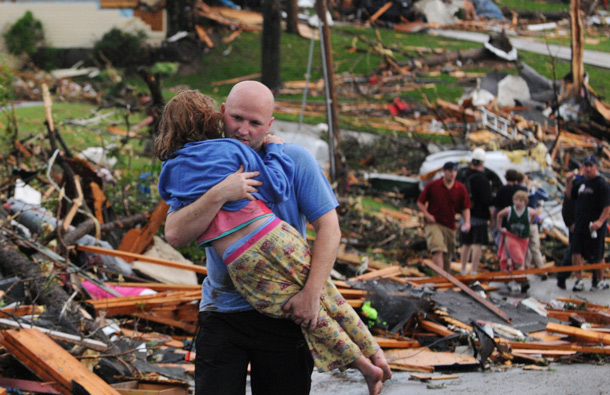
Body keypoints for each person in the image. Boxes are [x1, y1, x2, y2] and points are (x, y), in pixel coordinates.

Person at [162, 82, 390, 395]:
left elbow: (329, 229)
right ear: (222, 114)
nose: (244, 130)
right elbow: (174, 233)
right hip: (222, 311)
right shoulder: (206, 162)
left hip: (287, 311)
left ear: (270, 124)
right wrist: (221, 192)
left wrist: (309, 295)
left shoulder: (296, 159)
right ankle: (368, 362)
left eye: (255, 123)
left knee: (328, 302)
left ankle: (373, 359)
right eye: (237, 119)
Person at [566, 154, 610, 291]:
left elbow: (607, 207)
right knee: (576, 251)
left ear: (596, 167)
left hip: (595, 226)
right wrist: (568, 182)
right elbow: (569, 196)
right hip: (580, 223)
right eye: (586, 165)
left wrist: (600, 221)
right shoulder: (580, 182)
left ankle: (600, 280)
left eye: (591, 165)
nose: (588, 168)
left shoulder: (602, 184)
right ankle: (579, 280)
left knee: (598, 253)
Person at [417, 161, 471, 272]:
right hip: (434, 223)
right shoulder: (433, 185)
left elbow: (466, 207)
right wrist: (427, 215)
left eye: (455, 171)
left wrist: (467, 222)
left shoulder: (460, 188)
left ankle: (445, 279)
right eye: (450, 171)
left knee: (447, 256)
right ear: (444, 171)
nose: (452, 174)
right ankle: (439, 278)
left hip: (450, 225)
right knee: (438, 249)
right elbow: (420, 202)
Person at [460, 148, 493, 274]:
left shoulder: (463, 175)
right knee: (477, 243)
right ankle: (473, 270)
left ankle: (463, 269)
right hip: (479, 216)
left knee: (466, 243)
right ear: (482, 163)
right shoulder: (482, 179)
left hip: (465, 214)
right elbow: (487, 199)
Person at [496, 190, 539, 271]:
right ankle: (519, 276)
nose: (518, 203)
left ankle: (517, 276)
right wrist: (499, 227)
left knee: (520, 257)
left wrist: (530, 222)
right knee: (519, 259)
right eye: (516, 200)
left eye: (521, 201)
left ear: (525, 202)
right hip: (512, 236)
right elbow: (499, 215)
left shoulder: (528, 211)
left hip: (523, 238)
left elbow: (535, 214)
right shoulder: (510, 210)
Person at [491, 169, 527, 247]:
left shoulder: (502, 189)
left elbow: (497, 208)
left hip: (505, 222)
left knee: (503, 244)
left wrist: (494, 222)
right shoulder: (522, 190)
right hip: (519, 223)